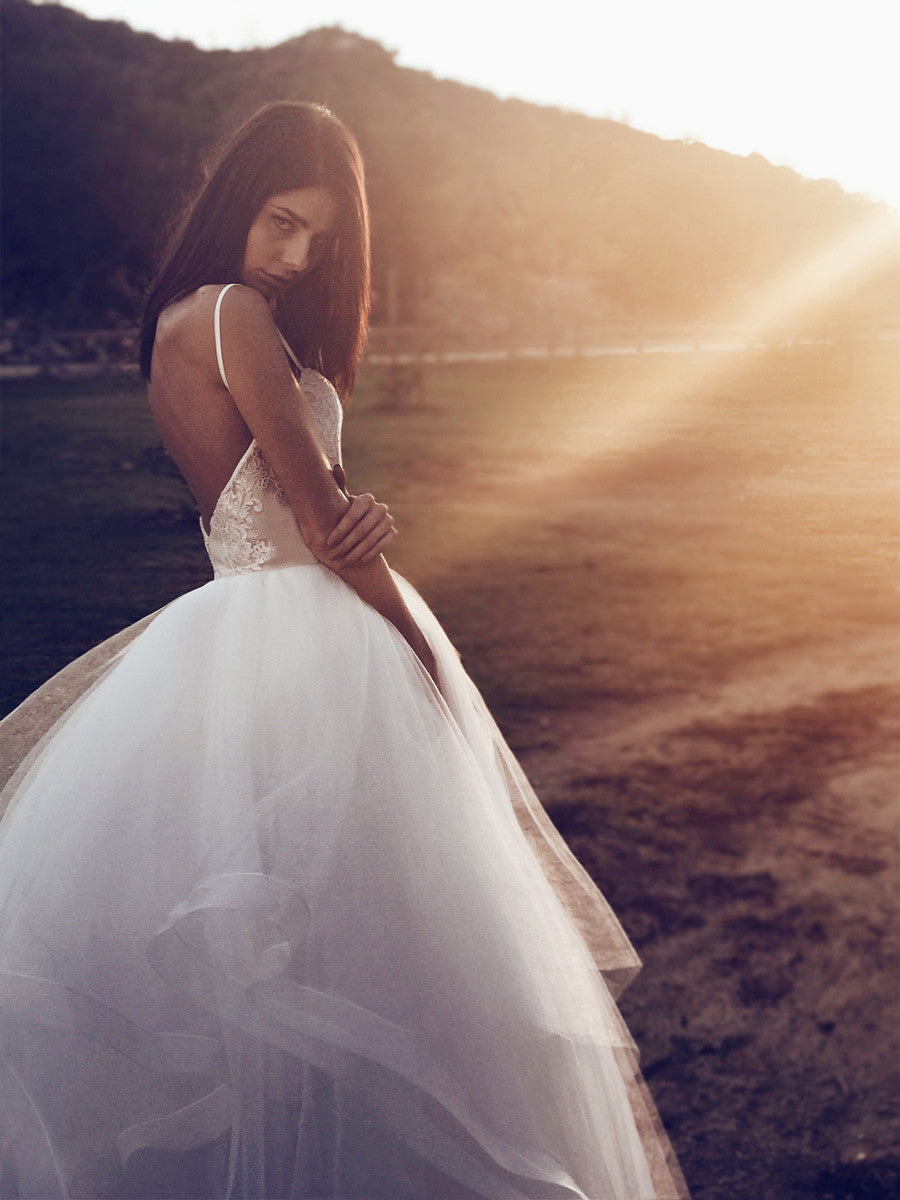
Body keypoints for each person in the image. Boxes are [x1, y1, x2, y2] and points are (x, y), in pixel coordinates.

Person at [0, 102, 687, 1199]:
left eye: (317, 239)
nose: (294, 256)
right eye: (279, 222)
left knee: (289, 961)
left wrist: (340, 516)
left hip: (234, 632)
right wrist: (418, 643)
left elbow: (270, 508)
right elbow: (317, 527)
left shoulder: (173, 320)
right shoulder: (231, 310)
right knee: (389, 949)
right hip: (312, 636)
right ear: (235, 200)